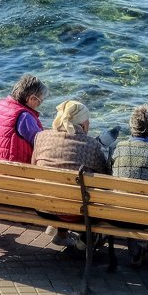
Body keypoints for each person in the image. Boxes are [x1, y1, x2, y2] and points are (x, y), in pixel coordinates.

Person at [31, 99, 110, 246]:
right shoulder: (92, 145)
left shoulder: (41, 137)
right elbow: (105, 180)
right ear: (82, 124)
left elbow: (33, 167)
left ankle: (60, 232)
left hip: (43, 207)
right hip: (77, 213)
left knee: (59, 184)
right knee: (86, 191)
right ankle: (87, 240)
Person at [110, 105, 148, 266]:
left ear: (132, 126)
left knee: (128, 200)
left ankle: (137, 251)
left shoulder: (116, 148)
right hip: (146, 217)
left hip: (116, 215)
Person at [0, 74, 47, 164]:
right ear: (31, 98)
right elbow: (41, 144)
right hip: (13, 171)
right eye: (40, 101)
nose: (39, 104)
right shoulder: (24, 117)